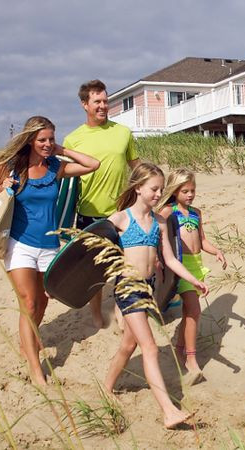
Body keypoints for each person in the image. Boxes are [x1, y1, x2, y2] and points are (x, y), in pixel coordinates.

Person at [0, 116, 100, 385]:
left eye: (51, 139)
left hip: (49, 245)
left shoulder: (55, 167)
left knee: (43, 300)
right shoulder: (13, 167)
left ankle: (27, 340)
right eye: (42, 139)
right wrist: (2, 187)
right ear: (30, 140)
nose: (47, 143)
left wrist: (62, 150)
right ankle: (34, 368)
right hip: (19, 244)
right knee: (28, 301)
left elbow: (93, 164)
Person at [102, 162, 205, 429]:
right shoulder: (120, 220)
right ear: (138, 188)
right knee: (149, 346)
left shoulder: (159, 222)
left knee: (129, 345)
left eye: (161, 189)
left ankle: (106, 387)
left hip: (148, 287)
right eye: (154, 189)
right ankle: (169, 411)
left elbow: (170, 259)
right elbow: (91, 253)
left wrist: (194, 280)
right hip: (127, 287)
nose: (159, 194)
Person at [62, 79, 140, 329]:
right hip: (89, 214)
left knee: (123, 265)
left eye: (106, 101)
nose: (103, 106)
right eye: (97, 101)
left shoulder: (123, 132)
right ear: (84, 104)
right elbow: (65, 178)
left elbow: (135, 167)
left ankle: (119, 309)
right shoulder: (73, 139)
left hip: (121, 210)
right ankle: (95, 312)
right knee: (94, 271)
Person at [156, 169, 226, 383]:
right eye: (184, 191)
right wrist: (157, 259)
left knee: (189, 311)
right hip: (181, 264)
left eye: (192, 190)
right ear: (174, 191)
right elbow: (157, 234)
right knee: (194, 310)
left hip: (197, 265)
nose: (189, 194)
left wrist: (216, 251)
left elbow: (201, 240)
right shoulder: (168, 211)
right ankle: (191, 359)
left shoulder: (196, 213)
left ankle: (179, 348)